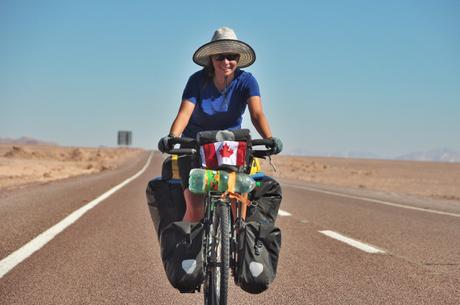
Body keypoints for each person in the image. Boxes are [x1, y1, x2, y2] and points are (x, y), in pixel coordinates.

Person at [158, 26, 282, 222]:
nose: (226, 62)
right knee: (196, 206)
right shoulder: (196, 81)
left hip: (230, 146)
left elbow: (257, 113)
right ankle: (189, 249)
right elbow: (184, 112)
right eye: (220, 57)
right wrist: (173, 136)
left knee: (238, 201)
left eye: (231, 56)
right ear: (211, 59)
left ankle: (238, 243)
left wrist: (269, 138)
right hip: (195, 145)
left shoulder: (247, 81)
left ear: (238, 59)